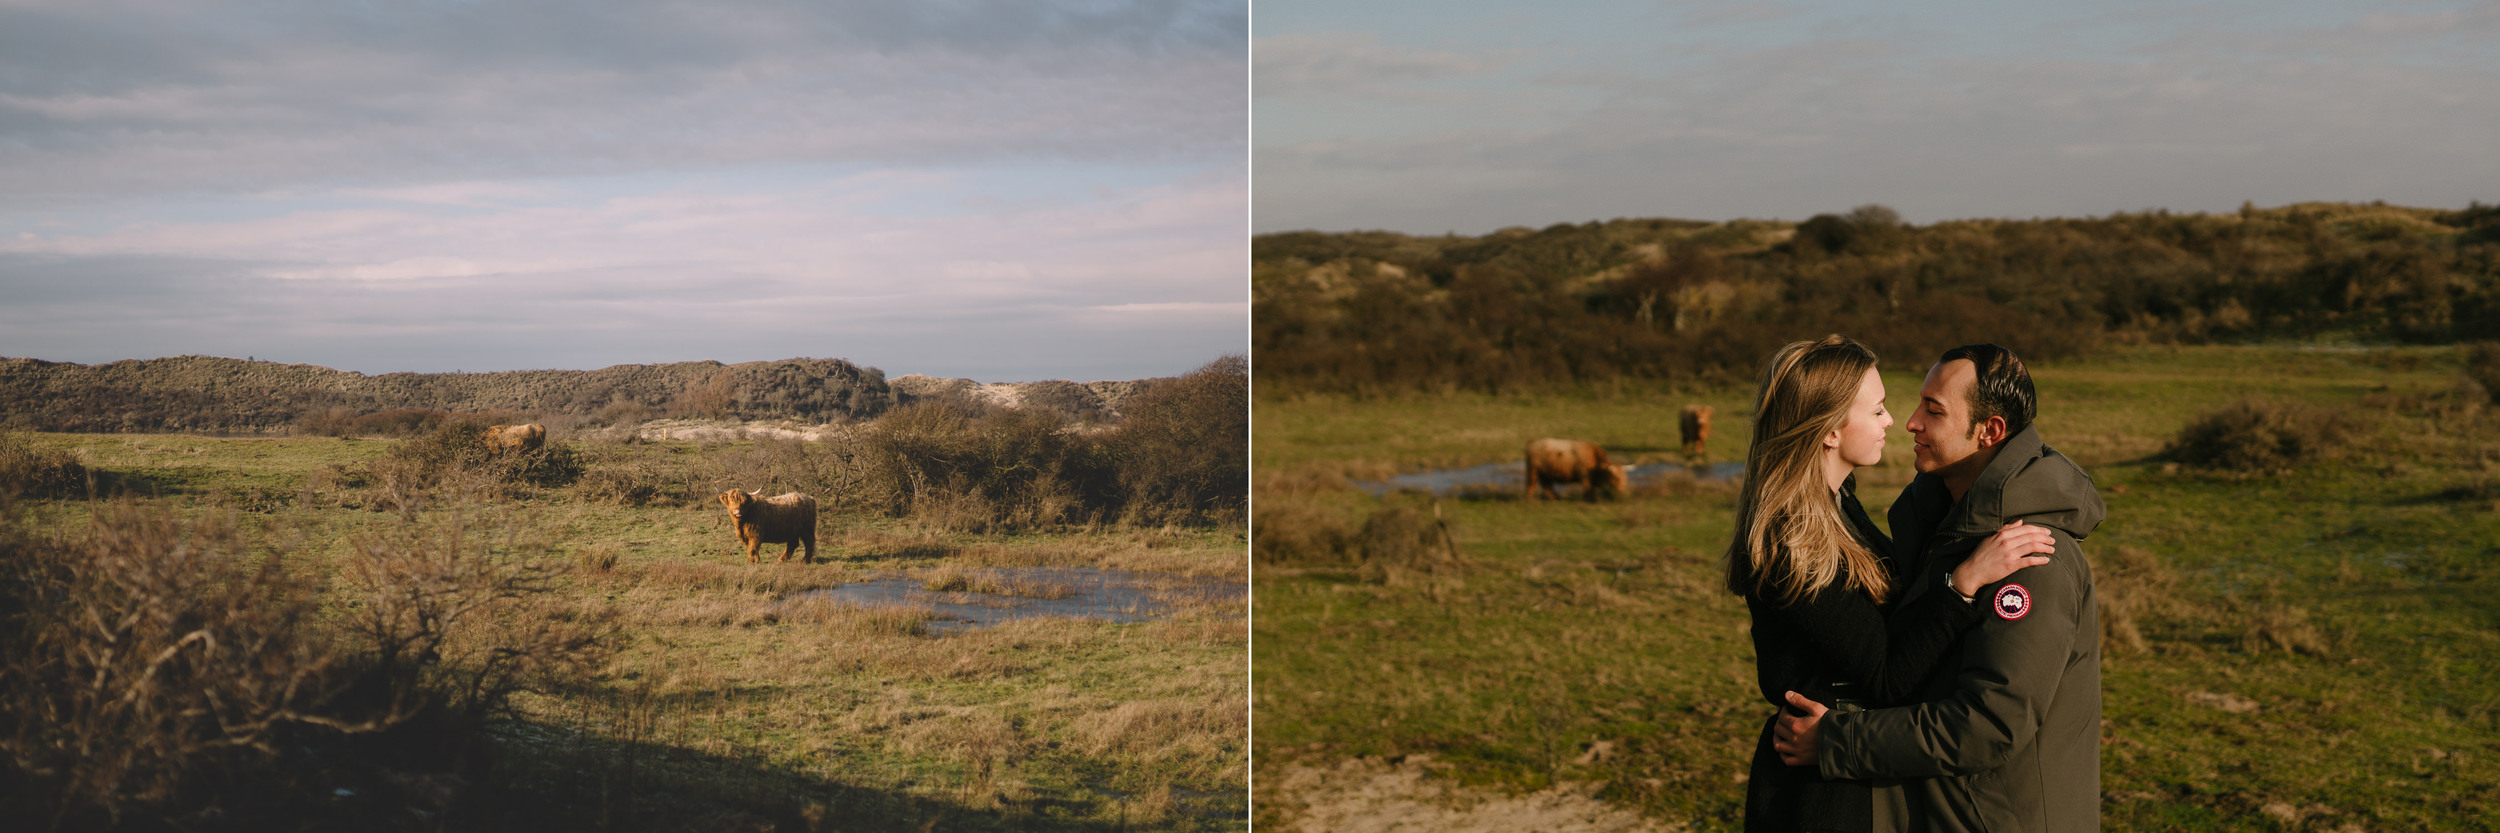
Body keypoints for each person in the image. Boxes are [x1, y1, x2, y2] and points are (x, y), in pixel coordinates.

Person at [1726, 335, 2057, 833]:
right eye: (1877, 409)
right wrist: (1963, 582)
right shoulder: (1792, 544)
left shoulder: (1837, 503)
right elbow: (1886, 677)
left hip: (1849, 767)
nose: (1894, 422)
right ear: (1831, 430)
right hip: (1822, 793)